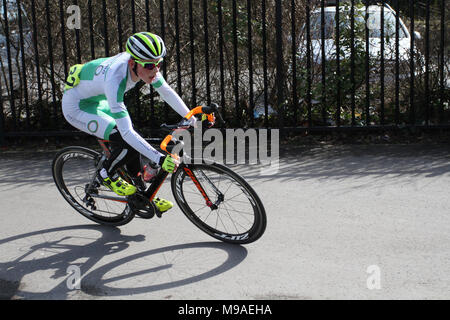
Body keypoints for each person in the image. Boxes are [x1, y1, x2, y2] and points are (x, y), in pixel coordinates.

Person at [62, 32, 196, 213]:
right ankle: (105, 175)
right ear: (133, 63)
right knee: (126, 138)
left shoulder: (143, 64)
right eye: (149, 66)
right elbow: (126, 133)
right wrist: (159, 158)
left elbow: (166, 92)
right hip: (77, 106)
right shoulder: (115, 78)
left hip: (98, 100)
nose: (155, 70)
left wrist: (192, 118)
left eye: (159, 64)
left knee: (134, 139)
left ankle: (142, 194)